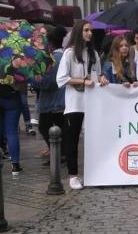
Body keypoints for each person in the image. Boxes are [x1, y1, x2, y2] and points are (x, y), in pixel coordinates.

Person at [56, 21, 107, 190]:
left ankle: (95, 172)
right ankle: (73, 175)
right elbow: (61, 79)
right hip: (75, 104)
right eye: (86, 30)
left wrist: (102, 79)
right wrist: (83, 81)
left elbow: (98, 75)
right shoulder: (70, 54)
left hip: (92, 103)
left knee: (94, 139)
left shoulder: (94, 54)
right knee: (72, 140)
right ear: (79, 32)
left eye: (91, 30)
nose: (90, 33)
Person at [36, 26, 66, 164]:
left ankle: (58, 154)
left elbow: (48, 82)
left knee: (44, 127)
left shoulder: (53, 59)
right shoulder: (64, 55)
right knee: (60, 128)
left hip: (52, 102)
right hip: (61, 100)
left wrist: (35, 79)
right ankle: (59, 153)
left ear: (50, 43)